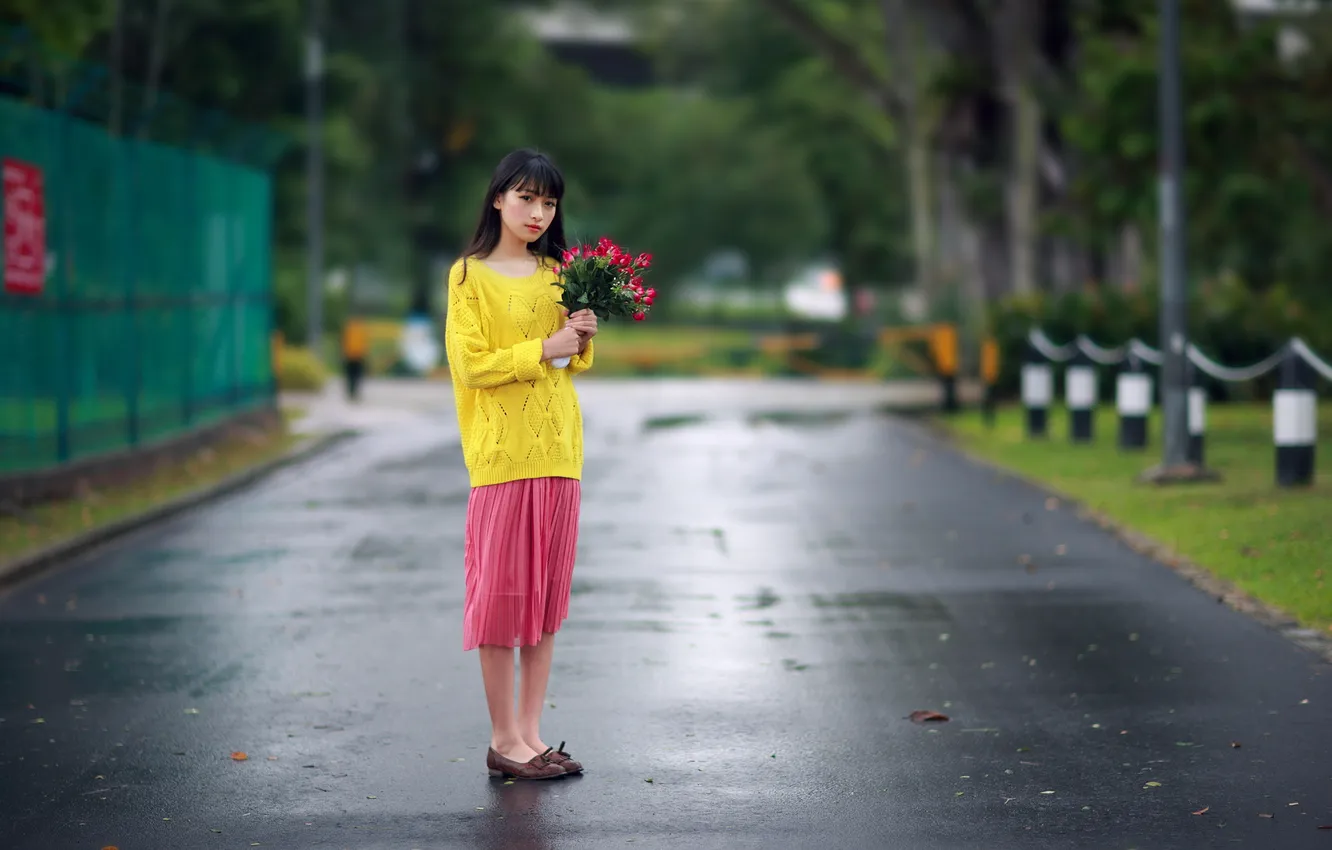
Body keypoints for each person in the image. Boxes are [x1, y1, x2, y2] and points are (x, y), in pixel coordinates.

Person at [443, 149, 598, 781]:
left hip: (560, 452)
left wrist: (580, 337)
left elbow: (568, 363)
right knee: (502, 601)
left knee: (544, 601)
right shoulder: (468, 276)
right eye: (526, 198)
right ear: (498, 198)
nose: (538, 213)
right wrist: (544, 346)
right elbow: (472, 366)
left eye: (549, 202)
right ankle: (503, 739)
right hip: (502, 458)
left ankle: (531, 735)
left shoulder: (558, 273)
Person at [341, 313, 368, 402]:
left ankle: (352, 392)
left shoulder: (350, 329)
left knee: (351, 376)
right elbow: (364, 343)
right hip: (356, 356)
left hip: (351, 356)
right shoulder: (360, 329)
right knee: (356, 376)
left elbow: (344, 342)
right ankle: (353, 392)